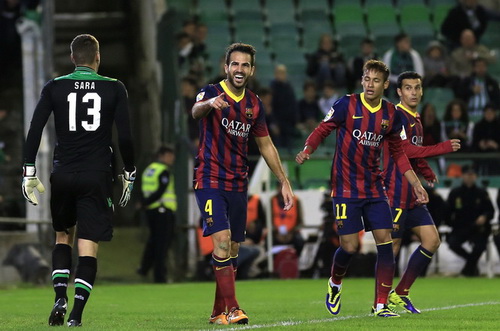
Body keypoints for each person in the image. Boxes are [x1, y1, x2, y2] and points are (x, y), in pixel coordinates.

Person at [295, 59, 429, 318]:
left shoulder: (391, 114)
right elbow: (324, 128)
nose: (370, 84)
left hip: (375, 188)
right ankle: (335, 283)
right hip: (345, 188)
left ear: (385, 84)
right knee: (350, 247)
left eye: (376, 80)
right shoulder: (347, 104)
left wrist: (415, 183)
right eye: (367, 79)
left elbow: (399, 153)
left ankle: (380, 305)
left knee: (385, 242)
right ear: (362, 80)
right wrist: (308, 148)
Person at [21, 34, 136, 327]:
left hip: (62, 173)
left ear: (72, 58)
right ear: (98, 57)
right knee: (88, 243)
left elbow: (35, 128)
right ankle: (76, 315)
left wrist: (29, 170)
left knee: (62, 236)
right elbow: (124, 135)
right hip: (96, 175)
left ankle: (60, 296)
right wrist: (129, 172)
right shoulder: (114, 88)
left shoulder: (55, 86)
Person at [191, 42, 294, 325]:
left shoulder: (254, 105)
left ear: (251, 70)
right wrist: (209, 104)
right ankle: (234, 308)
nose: (239, 69)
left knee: (233, 249)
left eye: (244, 65)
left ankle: (216, 312)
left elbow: (266, 145)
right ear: (226, 67)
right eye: (234, 64)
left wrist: (283, 180)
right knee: (222, 243)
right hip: (210, 178)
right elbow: (196, 110)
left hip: (238, 183)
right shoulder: (211, 92)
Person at [381, 71, 461, 314]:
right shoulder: (397, 116)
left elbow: (414, 152)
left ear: (422, 90)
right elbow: (405, 150)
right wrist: (443, 148)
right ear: (399, 91)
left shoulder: (415, 118)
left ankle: (401, 292)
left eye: (417, 88)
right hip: (394, 191)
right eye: (408, 88)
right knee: (391, 246)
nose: (413, 92)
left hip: (412, 193)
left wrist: (426, 170)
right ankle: (380, 302)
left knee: (432, 240)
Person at [445, 165, 494, 276]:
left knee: (480, 246)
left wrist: (484, 216)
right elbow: (447, 211)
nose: (470, 177)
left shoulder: (482, 193)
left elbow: (490, 211)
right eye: (467, 175)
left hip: (478, 227)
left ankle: (467, 270)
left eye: (472, 175)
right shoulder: (455, 193)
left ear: (475, 177)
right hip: (460, 227)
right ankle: (471, 264)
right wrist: (452, 223)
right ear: (462, 176)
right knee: (453, 243)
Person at [137, 145, 176, 283]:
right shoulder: (163, 171)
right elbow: (160, 191)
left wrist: (144, 202)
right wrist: (146, 202)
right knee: (162, 244)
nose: (172, 159)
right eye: (170, 155)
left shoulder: (149, 170)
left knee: (153, 241)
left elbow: (143, 188)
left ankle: (144, 268)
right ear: (162, 156)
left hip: (151, 211)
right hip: (162, 209)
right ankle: (160, 275)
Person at [271, 184, 304, 257]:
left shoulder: (296, 200)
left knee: (300, 241)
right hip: (276, 233)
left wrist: (291, 233)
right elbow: (268, 220)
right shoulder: (272, 200)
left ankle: (295, 261)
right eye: (280, 187)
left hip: (292, 233)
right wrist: (277, 232)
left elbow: (300, 222)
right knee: (268, 241)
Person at [471, 104, 500, 174]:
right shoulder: (478, 126)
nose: (489, 115)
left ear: (495, 113)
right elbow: (474, 142)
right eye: (487, 112)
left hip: (496, 154)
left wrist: (496, 145)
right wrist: (480, 144)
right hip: (481, 153)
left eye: (491, 112)